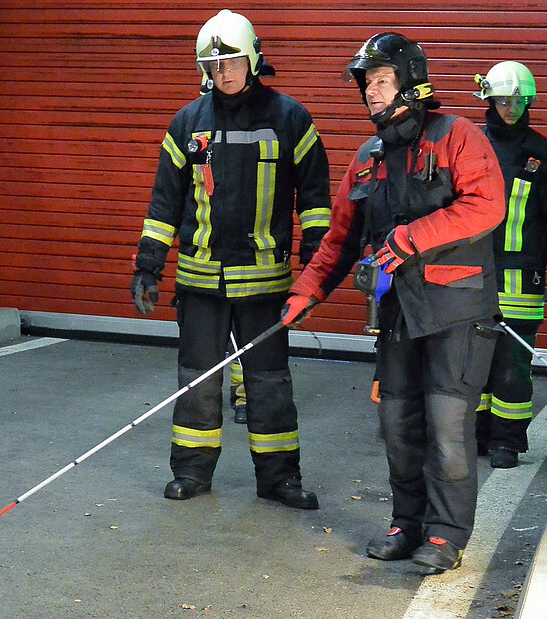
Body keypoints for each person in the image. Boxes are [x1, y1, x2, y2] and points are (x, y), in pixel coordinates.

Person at [282, 33, 505, 573]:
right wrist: (305, 291)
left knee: (447, 429)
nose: (372, 92)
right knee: (399, 425)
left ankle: (445, 535)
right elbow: (338, 239)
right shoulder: (368, 159)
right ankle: (407, 524)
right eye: (367, 84)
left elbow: (486, 204)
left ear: (410, 82)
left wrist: (410, 238)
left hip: (457, 313)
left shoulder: (458, 136)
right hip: (399, 315)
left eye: (382, 80)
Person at [131, 9, 330, 509]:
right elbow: (164, 203)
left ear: (254, 60)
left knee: (269, 384)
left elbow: (315, 201)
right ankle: (192, 472)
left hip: (265, 281)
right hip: (200, 281)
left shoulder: (290, 118)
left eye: (233, 62)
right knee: (197, 382)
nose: (224, 73)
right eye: (214, 65)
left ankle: (279, 480)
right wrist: (148, 266)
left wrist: (315, 272)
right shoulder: (187, 123)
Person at [473, 61, 547, 469]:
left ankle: (507, 442)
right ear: (488, 100)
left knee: (511, 366)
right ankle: (475, 433)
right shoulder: (470, 146)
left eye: (520, 101)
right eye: (503, 100)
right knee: (470, 361)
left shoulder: (544, 156)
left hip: (521, 278)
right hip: (471, 274)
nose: (511, 108)